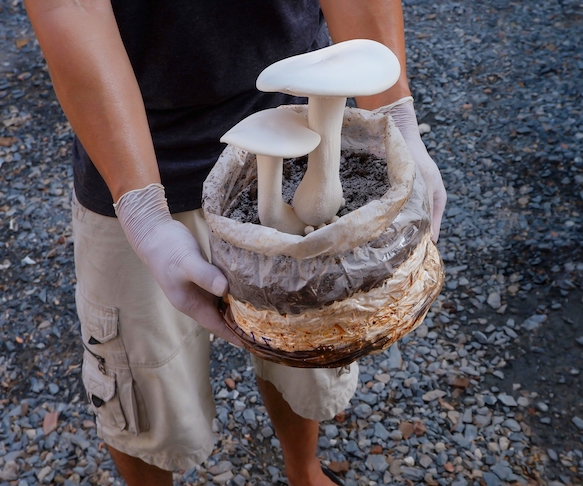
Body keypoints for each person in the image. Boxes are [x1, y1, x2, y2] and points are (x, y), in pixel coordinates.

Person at [24, 1, 446, 485]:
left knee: (304, 346)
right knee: (142, 389)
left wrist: (396, 116)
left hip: (296, 110)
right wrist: (142, 213)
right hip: (131, 150)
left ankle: (304, 470)